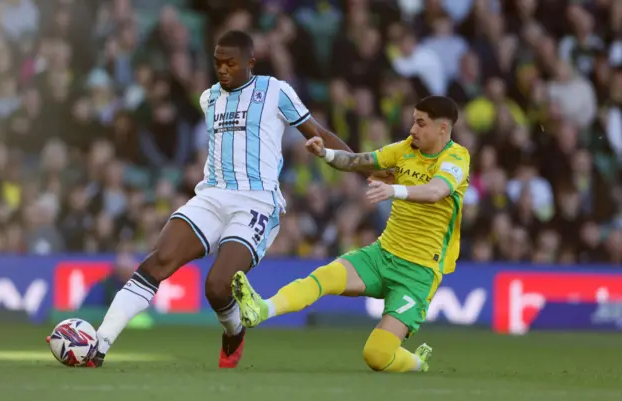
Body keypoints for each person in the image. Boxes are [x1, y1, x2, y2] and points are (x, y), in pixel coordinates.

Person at [49, 30, 382, 368]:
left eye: (230, 63)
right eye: (217, 62)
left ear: (250, 63)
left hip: (256, 202)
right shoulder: (209, 99)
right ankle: (100, 345)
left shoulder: (275, 91)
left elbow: (321, 134)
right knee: (157, 261)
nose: (222, 69)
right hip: (211, 195)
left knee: (217, 286)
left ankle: (234, 331)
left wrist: (366, 166)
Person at [232, 96, 470, 373]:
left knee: (377, 356)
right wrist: (325, 154)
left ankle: (418, 363)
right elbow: (358, 161)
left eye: (420, 123)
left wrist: (394, 190)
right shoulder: (405, 149)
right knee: (324, 276)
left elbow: (436, 191)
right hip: (381, 255)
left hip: (418, 272)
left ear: (443, 128)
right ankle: (261, 309)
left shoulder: (456, 157)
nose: (412, 129)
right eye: (412, 121)